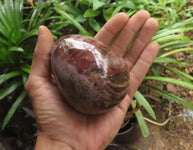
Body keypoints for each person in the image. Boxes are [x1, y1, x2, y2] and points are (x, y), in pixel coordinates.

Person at [26, 10, 159, 150]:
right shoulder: (66, 51)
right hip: (103, 96)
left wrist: (58, 143)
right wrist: (59, 142)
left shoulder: (65, 51)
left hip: (99, 98)